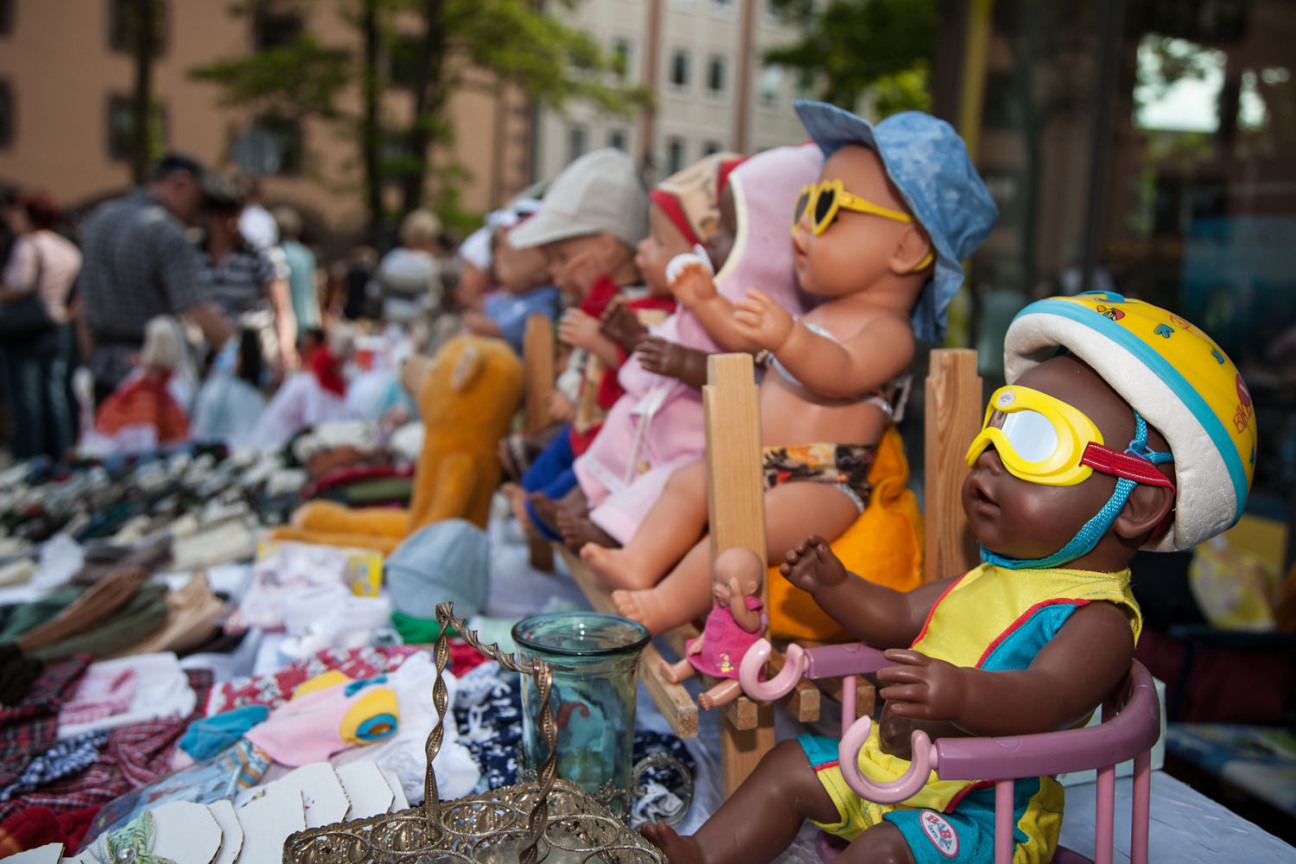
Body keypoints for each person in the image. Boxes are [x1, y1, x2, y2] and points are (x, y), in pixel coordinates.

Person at [640, 292, 1257, 864]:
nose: (990, 455)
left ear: (1134, 507)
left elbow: (1048, 698)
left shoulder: (1096, 619)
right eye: (996, 425)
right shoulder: (988, 578)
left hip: (989, 814)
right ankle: (702, 854)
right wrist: (834, 585)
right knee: (788, 766)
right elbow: (900, 614)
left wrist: (960, 694)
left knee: (886, 850)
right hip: (894, 769)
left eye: (1036, 442)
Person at [581, 102, 998, 635]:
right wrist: (707, 302)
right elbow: (743, 342)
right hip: (761, 463)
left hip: (823, 484)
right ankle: (639, 560)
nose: (801, 228)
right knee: (689, 484)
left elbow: (840, 371)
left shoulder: (889, 333)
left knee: (740, 529)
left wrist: (790, 336)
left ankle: (665, 604)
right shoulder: (817, 313)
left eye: (827, 208)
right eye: (805, 205)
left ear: (907, 247)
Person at [78, 152, 234, 402]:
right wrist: (239, 347)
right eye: (201, 198)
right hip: (153, 370)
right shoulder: (167, 232)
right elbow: (196, 307)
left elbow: (82, 306)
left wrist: (91, 360)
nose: (201, 211)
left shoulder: (99, 219)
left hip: (102, 367)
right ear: (180, 183)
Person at [0, 191, 81, 460]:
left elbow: (18, 285)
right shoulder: (67, 247)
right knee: (55, 393)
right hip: (59, 325)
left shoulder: (29, 244)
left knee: (26, 398)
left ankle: (31, 458)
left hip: (26, 329)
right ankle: (60, 452)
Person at [198, 173, 297, 375]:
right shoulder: (193, 255)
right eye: (226, 214)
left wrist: (285, 348)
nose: (233, 223)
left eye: (238, 213)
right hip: (203, 354)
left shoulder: (260, 254)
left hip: (253, 352)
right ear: (212, 216)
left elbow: (283, 309)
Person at [659, 546, 766, 710]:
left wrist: (737, 599)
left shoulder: (750, 608)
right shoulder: (721, 606)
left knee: (740, 682)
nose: (716, 588)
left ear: (750, 588)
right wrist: (701, 641)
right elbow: (711, 626)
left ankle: (712, 698)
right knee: (694, 659)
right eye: (716, 581)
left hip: (737, 661)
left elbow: (750, 625)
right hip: (715, 651)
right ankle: (676, 672)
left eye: (726, 586)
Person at [370, 209, 443, 326]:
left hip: (389, 322)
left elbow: (374, 292)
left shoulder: (391, 259)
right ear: (429, 237)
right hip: (416, 329)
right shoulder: (429, 265)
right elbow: (432, 301)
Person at [273, 205, 322, 340]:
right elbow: (315, 287)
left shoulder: (276, 255)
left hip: (284, 323)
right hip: (308, 318)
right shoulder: (306, 254)